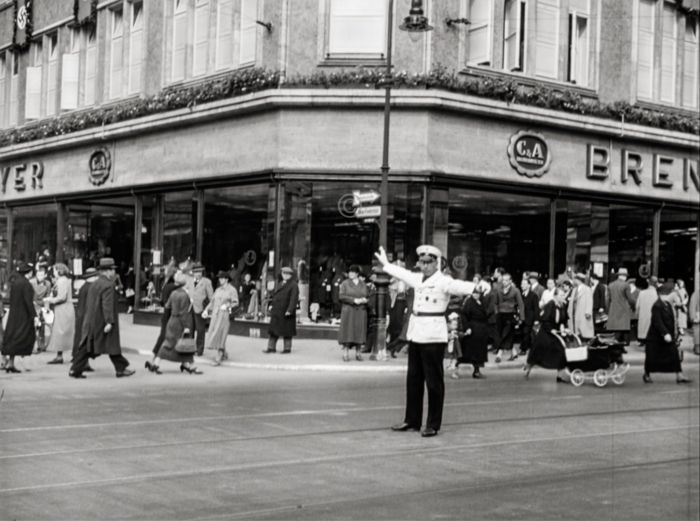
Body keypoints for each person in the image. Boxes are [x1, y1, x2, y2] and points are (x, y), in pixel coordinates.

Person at [376, 244, 475, 438]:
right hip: (416, 332)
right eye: (422, 262)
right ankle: (412, 420)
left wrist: (476, 287)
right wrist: (387, 265)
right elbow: (403, 273)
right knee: (413, 380)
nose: (424, 266)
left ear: (436, 263)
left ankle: (433, 424)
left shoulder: (443, 281)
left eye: (428, 262)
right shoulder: (418, 278)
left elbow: (458, 286)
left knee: (433, 382)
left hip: (433, 334)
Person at [69, 258, 135, 378]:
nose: (114, 272)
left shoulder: (94, 284)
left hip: (92, 319)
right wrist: (109, 321)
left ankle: (76, 369)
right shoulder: (108, 285)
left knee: (91, 345)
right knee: (109, 344)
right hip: (102, 320)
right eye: (113, 270)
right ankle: (120, 368)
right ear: (108, 271)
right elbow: (107, 304)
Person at [145, 272, 201, 374]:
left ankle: (157, 364)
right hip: (180, 323)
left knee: (168, 344)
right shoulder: (184, 295)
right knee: (186, 344)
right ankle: (190, 366)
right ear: (185, 283)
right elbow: (184, 314)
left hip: (172, 321)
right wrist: (187, 326)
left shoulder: (174, 293)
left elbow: (167, 305)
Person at [643, 281, 692, 384]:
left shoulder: (668, 305)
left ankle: (679, 375)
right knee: (651, 358)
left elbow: (672, 320)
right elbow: (657, 321)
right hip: (656, 338)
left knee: (674, 355)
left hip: (667, 337)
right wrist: (665, 333)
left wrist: (674, 333)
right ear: (662, 295)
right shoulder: (657, 306)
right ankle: (647, 374)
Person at [524, 286, 569, 382]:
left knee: (561, 352)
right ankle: (529, 365)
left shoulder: (563, 306)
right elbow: (545, 319)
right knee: (538, 352)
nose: (563, 297)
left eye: (563, 295)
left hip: (557, 333)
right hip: (546, 333)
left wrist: (565, 328)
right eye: (561, 295)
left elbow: (564, 319)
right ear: (555, 296)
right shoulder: (550, 305)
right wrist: (550, 329)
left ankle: (560, 375)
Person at [2, 263, 38, 373]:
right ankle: (12, 363)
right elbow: (28, 302)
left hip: (14, 314)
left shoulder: (15, 283)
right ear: (29, 273)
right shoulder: (26, 284)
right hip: (23, 316)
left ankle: (10, 363)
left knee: (13, 337)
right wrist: (34, 315)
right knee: (23, 338)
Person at [454, 283, 490, 378]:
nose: (476, 295)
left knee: (478, 352)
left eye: (478, 293)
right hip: (473, 329)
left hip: (481, 330)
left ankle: (477, 370)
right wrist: (467, 328)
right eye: (474, 293)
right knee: (468, 352)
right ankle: (456, 369)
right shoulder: (469, 303)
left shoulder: (481, 302)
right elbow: (464, 316)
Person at [43, 263, 75, 365]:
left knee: (61, 332)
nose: (53, 273)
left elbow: (62, 297)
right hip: (64, 309)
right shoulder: (63, 280)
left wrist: (49, 300)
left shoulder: (62, 281)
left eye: (54, 271)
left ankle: (60, 356)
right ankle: (63, 355)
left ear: (59, 271)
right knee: (64, 333)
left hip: (63, 309)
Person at [204, 271, 238, 364]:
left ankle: (219, 355)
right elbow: (212, 302)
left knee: (221, 332)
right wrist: (206, 310)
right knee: (216, 332)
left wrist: (227, 306)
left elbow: (236, 302)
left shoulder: (232, 290)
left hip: (224, 315)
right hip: (215, 315)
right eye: (219, 278)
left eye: (222, 278)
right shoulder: (218, 290)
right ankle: (224, 353)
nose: (220, 280)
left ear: (227, 279)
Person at [337, 265, 369, 362]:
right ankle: (345, 353)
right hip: (349, 310)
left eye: (353, 272)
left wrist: (364, 300)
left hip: (360, 311)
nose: (351, 274)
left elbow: (367, 295)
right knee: (348, 332)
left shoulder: (363, 284)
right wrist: (354, 300)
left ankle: (358, 353)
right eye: (350, 272)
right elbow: (341, 296)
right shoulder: (345, 283)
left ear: (357, 274)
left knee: (359, 332)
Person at [264, 266, 299, 354]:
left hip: (285, 311)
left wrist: (290, 310)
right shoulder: (280, 283)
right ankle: (271, 347)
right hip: (277, 310)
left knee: (287, 331)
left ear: (290, 275)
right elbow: (276, 296)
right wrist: (271, 305)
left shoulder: (293, 285)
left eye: (287, 274)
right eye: (284, 273)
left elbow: (293, 298)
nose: (285, 275)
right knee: (273, 330)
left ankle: (287, 348)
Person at [494, 272, 525, 363]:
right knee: (504, 334)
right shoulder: (498, 290)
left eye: (507, 280)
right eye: (503, 280)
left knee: (505, 334)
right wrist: (496, 312)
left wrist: (521, 317)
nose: (505, 282)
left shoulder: (515, 290)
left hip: (511, 314)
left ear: (510, 281)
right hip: (500, 314)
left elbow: (520, 304)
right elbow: (495, 303)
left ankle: (499, 353)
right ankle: (514, 352)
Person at [73, 268, 97, 370]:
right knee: (84, 340)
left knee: (82, 339)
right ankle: (81, 363)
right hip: (86, 316)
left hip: (81, 315)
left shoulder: (84, 287)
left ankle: (83, 362)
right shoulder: (91, 288)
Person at [151, 266, 177, 356]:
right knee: (167, 336)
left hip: (167, 313)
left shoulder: (166, 285)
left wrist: (160, 301)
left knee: (167, 336)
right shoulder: (173, 286)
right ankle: (156, 356)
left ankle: (186, 363)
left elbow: (164, 301)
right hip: (171, 314)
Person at [606, 267, 636, 345]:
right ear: (625, 276)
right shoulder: (626, 285)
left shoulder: (610, 285)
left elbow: (607, 299)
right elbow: (630, 299)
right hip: (624, 310)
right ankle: (623, 345)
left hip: (613, 310)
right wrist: (634, 306)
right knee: (624, 329)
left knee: (615, 329)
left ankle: (616, 344)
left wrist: (608, 309)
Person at [191, 263, 214, 356]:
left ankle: (199, 350)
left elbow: (211, 297)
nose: (199, 273)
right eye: (196, 272)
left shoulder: (206, 282)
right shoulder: (189, 281)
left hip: (200, 309)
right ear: (193, 272)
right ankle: (190, 348)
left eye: (200, 271)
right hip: (189, 308)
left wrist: (207, 310)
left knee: (200, 330)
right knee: (189, 329)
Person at [30, 265, 52, 353]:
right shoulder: (31, 282)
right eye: (38, 275)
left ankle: (41, 345)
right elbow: (29, 294)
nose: (40, 277)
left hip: (43, 304)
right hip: (33, 304)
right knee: (34, 326)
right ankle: (33, 346)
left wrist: (46, 308)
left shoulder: (48, 284)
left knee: (42, 326)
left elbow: (48, 296)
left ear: (45, 275)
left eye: (42, 275)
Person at [568, 273, 594, 341]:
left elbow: (589, 301)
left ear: (577, 280)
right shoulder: (574, 289)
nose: (573, 281)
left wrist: (588, 312)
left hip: (582, 313)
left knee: (583, 330)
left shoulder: (587, 289)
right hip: (575, 312)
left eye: (574, 279)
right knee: (575, 329)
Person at [519, 278, 540, 355]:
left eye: (524, 284)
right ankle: (527, 347)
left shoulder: (533, 295)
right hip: (522, 318)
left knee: (526, 333)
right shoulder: (521, 295)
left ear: (529, 285)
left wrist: (536, 319)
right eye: (521, 284)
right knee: (523, 333)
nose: (522, 286)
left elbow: (536, 308)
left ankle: (523, 349)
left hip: (530, 318)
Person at [636, 277, 658, 347]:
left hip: (643, 315)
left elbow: (637, 305)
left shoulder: (642, 293)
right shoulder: (656, 293)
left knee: (643, 328)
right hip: (653, 315)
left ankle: (642, 341)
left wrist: (637, 313)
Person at [689, 289, 699, 355]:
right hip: (698, 317)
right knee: (697, 333)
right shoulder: (696, 294)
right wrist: (693, 317)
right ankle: (697, 347)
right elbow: (692, 306)